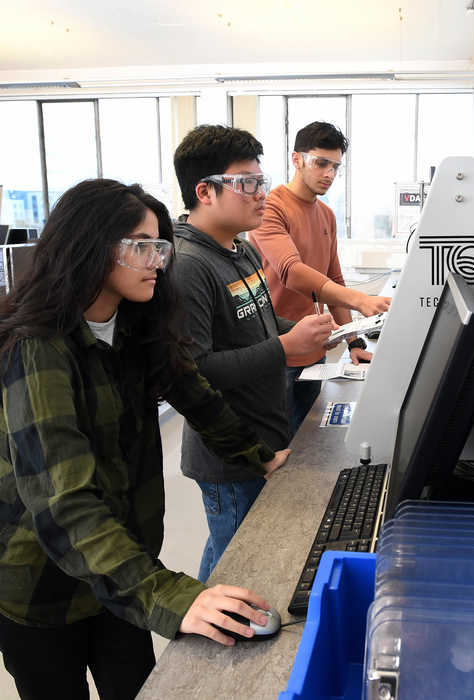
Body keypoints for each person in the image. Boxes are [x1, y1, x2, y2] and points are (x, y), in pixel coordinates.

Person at [0, 179, 289, 700]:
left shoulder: (136, 324)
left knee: (134, 686)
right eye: (140, 246)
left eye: (159, 246)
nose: (157, 260)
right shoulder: (37, 348)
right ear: (87, 248)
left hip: (120, 574)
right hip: (44, 588)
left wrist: (260, 458)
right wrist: (170, 595)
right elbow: (65, 504)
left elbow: (195, 395)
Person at [172, 125, 333, 581]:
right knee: (232, 560)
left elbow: (257, 324)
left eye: (260, 182)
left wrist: (311, 331)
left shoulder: (239, 250)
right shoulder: (189, 267)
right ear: (204, 191)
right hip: (227, 454)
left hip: (263, 432)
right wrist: (286, 346)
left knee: (236, 545)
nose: (261, 194)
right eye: (246, 183)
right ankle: (200, 638)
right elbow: (196, 370)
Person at [250, 121, 392, 435]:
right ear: (296, 159)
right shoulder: (270, 208)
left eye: (335, 167)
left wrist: (353, 340)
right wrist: (362, 300)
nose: (329, 173)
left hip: (316, 354)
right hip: (278, 353)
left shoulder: (326, 214)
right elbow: (291, 271)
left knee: (308, 442)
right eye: (321, 163)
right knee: (277, 447)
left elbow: (334, 282)